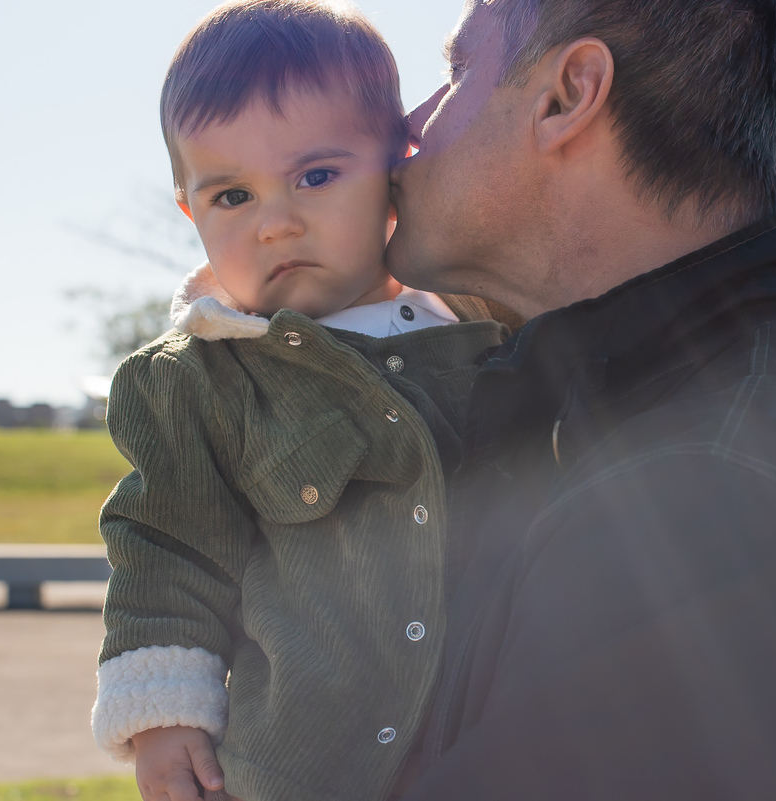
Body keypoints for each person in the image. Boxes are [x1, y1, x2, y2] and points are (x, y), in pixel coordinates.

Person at [384, 0, 776, 798]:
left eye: (456, 72)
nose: (407, 125)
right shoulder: (706, 413)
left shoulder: (715, 500)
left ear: (569, 94)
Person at [89, 3, 515, 801]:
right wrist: (163, 713)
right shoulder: (203, 378)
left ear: (397, 167)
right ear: (189, 208)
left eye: (316, 177)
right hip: (301, 767)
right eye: (231, 197)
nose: (277, 223)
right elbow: (167, 548)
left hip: (489, 754)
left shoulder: (488, 325)